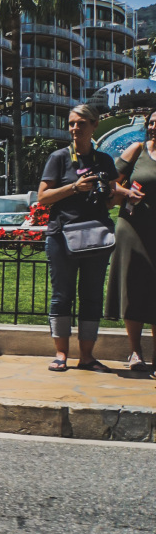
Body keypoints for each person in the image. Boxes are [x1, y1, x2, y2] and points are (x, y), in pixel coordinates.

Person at [37, 104, 119, 372]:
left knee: (92, 296)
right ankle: (61, 354)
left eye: (81, 123)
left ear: (94, 126)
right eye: (71, 123)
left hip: (96, 235)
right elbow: (42, 197)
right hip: (62, 235)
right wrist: (74, 187)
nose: (75, 128)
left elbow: (110, 203)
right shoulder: (59, 158)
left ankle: (86, 356)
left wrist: (110, 192)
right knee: (62, 295)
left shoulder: (104, 160)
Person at [105, 108, 156, 373]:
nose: (154, 126)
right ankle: (135, 353)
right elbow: (109, 185)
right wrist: (127, 193)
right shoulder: (137, 150)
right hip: (133, 228)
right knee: (133, 287)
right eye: (152, 122)